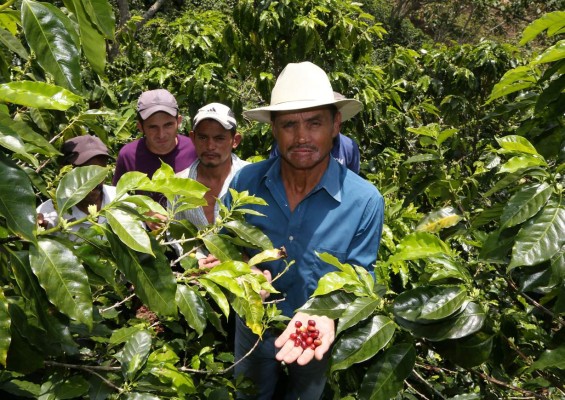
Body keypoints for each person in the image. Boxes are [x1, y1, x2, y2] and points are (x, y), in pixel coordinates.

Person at [227, 62, 385, 399]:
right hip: (253, 324)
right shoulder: (245, 182)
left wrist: (326, 314)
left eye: (314, 123)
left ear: (335, 126)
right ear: (273, 129)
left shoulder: (365, 201)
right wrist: (243, 267)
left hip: (316, 331)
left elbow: (361, 276)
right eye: (289, 125)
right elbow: (227, 243)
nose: (301, 137)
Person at [172, 102, 249, 267]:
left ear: (235, 140)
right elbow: (175, 234)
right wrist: (197, 260)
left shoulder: (252, 178)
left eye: (219, 138)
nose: (210, 146)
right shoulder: (179, 184)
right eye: (203, 137)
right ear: (193, 138)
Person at [113, 89, 197, 205]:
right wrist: (144, 213)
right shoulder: (129, 155)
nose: (161, 134)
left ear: (179, 121)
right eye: (153, 127)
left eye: (168, 125)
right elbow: (116, 199)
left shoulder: (195, 149)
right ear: (140, 127)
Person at [37, 135, 116, 234]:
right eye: (85, 172)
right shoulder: (48, 215)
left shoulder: (120, 199)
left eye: (99, 170)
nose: (94, 180)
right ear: (65, 171)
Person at [270, 92, 361, 174]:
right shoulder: (285, 145)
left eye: (315, 123)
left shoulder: (349, 147)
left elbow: (352, 180)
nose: (302, 139)